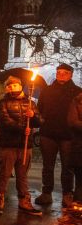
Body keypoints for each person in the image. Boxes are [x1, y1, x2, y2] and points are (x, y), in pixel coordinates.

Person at [0, 76, 42, 216]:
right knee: (4, 174)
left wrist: (33, 116)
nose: (11, 88)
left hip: (25, 146)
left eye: (13, 85)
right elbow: (4, 121)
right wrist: (22, 128)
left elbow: (39, 122)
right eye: (8, 86)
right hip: (8, 145)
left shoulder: (30, 103)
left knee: (22, 175)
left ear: (20, 86)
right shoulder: (2, 103)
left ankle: (24, 201)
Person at [35, 63, 82, 207]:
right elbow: (39, 109)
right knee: (47, 165)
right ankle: (46, 192)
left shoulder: (77, 92)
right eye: (59, 72)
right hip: (48, 133)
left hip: (69, 135)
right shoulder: (47, 90)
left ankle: (67, 193)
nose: (61, 75)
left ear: (70, 75)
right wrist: (39, 118)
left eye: (64, 73)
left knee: (68, 167)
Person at [67, 92, 82, 202]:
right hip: (79, 145)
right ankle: (77, 207)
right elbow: (72, 121)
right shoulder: (77, 101)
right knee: (80, 180)